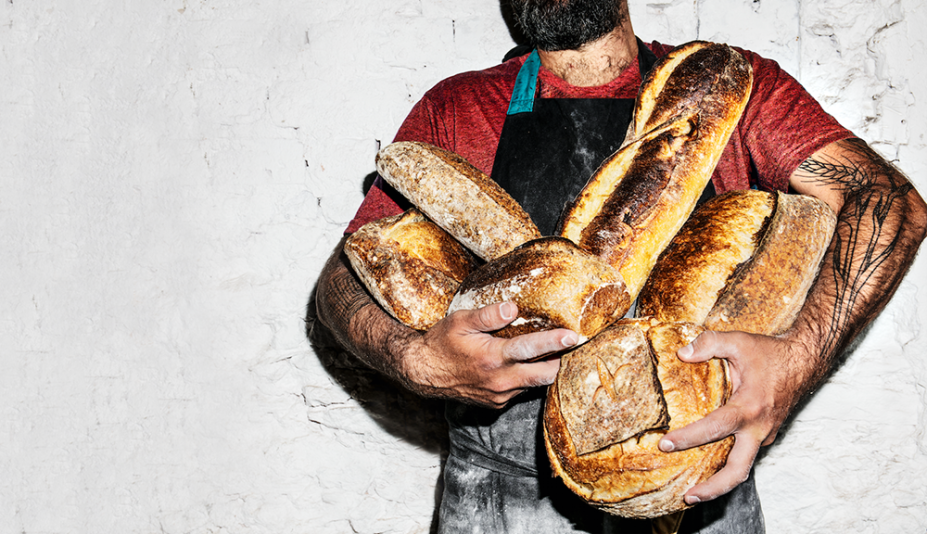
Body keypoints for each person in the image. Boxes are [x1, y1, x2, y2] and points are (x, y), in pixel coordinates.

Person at [315, 0, 927, 532]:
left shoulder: (724, 86)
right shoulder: (460, 106)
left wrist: (796, 359)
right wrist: (415, 358)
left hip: (692, 482)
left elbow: (888, 201)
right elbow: (347, 276)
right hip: (500, 497)